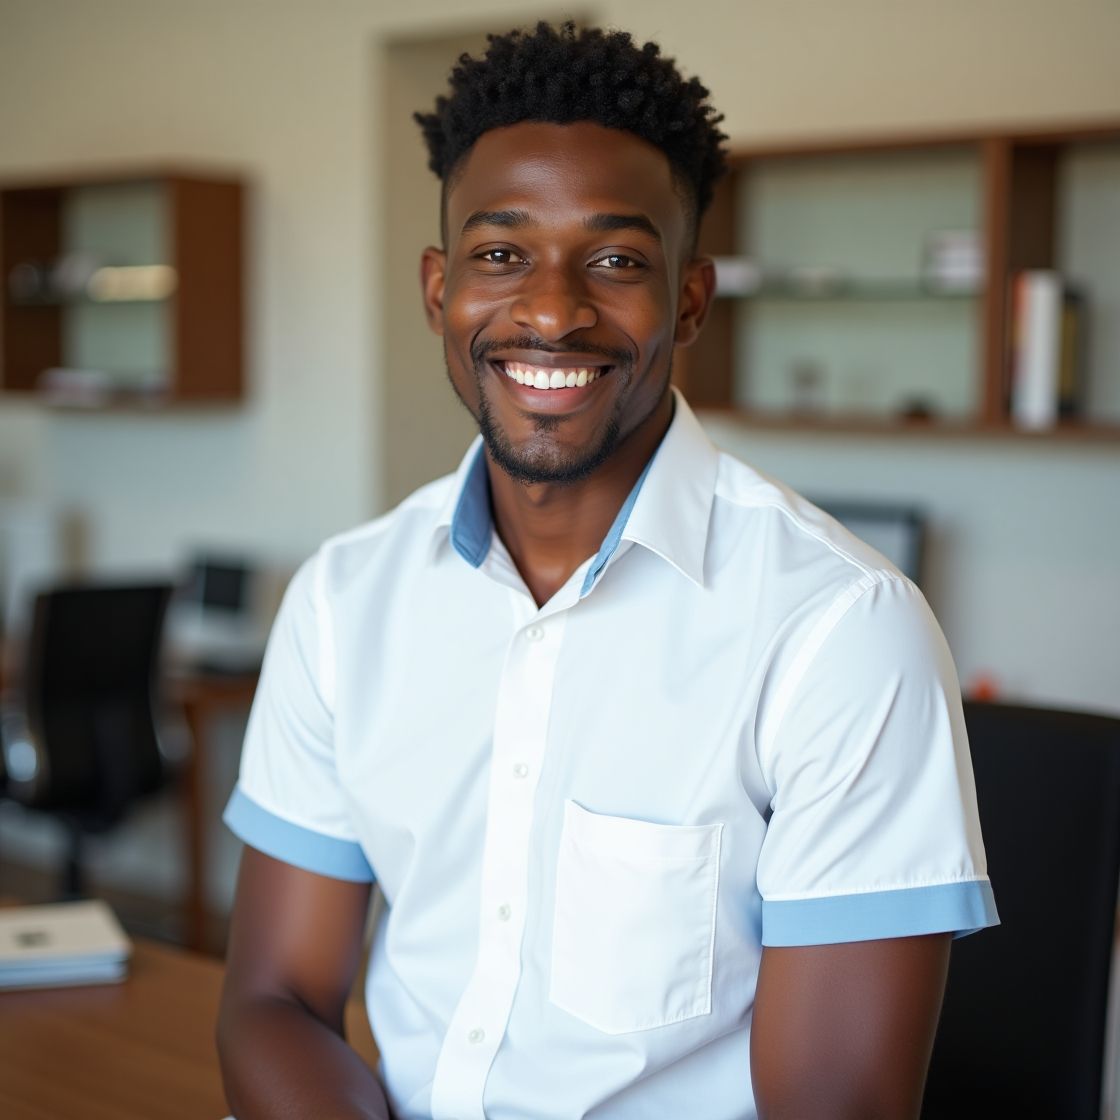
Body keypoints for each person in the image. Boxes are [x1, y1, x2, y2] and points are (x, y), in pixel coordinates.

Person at [217, 22, 997, 1120]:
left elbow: (835, 1103)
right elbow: (274, 997)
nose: (549, 308)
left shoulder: (840, 628)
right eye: (499, 254)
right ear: (438, 288)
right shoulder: (347, 599)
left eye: (616, 260)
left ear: (687, 300)